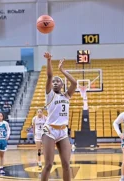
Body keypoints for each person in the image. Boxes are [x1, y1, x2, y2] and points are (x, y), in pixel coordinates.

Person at [41, 52, 77, 181]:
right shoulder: (50, 95)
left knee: (66, 164)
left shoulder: (66, 96)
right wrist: (49, 60)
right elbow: (50, 76)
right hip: (50, 130)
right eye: (54, 82)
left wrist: (62, 70)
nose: (55, 82)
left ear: (62, 85)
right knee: (49, 164)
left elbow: (74, 83)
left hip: (62, 131)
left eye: (58, 81)